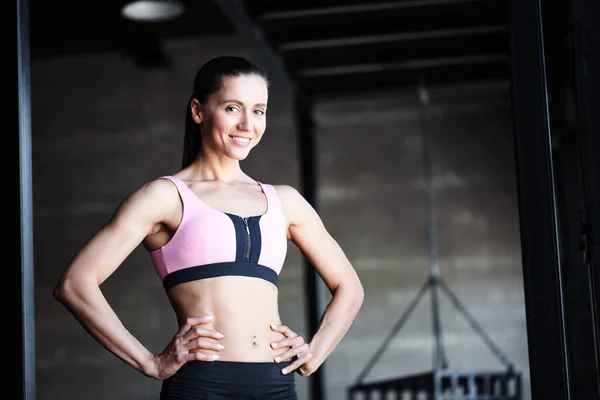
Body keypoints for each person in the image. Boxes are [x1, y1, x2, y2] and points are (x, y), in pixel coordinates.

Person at [53, 55, 364, 400]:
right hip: (203, 385)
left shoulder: (285, 201)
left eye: (258, 111)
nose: (248, 124)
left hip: (277, 384)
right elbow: (74, 284)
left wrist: (314, 353)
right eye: (233, 108)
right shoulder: (165, 196)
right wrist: (150, 362)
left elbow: (349, 286)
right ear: (199, 110)